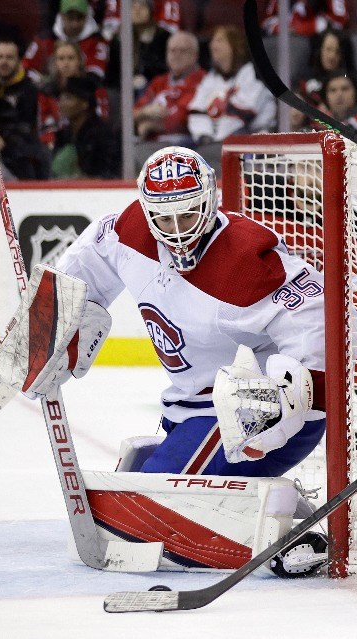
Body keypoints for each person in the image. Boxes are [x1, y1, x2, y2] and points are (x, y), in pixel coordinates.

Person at [52, 146, 327, 479]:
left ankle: (263, 502)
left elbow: (320, 321)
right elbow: (88, 260)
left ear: (209, 201)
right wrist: (50, 319)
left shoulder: (247, 261)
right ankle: (253, 501)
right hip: (190, 408)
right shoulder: (131, 231)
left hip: (253, 419)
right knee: (135, 500)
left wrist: (287, 397)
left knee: (147, 514)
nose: (178, 231)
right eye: (165, 218)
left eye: (188, 214)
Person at [187, 25, 276, 174]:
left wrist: (219, 141)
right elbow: (196, 110)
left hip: (255, 141)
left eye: (220, 40)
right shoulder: (211, 79)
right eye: (212, 41)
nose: (213, 45)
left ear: (235, 45)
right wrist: (204, 136)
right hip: (218, 144)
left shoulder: (253, 73)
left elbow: (243, 112)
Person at [0, 37, 49, 180]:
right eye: (0, 57)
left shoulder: (29, 89)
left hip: (17, 160)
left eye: (9, 57)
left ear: (19, 61)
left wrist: (5, 142)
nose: (4, 62)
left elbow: (27, 131)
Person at [132, 30, 206, 167]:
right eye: (172, 51)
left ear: (195, 55)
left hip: (182, 145)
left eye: (182, 51)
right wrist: (144, 113)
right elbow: (133, 112)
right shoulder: (158, 82)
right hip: (151, 143)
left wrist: (150, 125)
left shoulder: (202, 81)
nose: (176, 56)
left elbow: (183, 118)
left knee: (133, 156)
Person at [38, 40, 111, 149]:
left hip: (90, 143)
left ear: (80, 61)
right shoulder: (47, 92)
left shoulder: (94, 89)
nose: (66, 63)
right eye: (61, 59)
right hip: (56, 145)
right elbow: (46, 126)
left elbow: (102, 120)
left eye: (71, 58)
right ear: (55, 62)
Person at [23, 0, 110, 84]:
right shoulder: (44, 40)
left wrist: (64, 83)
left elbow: (95, 77)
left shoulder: (97, 41)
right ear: (62, 16)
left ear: (87, 16)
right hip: (47, 93)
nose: (74, 24)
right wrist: (42, 81)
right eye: (70, 18)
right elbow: (25, 69)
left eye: (79, 18)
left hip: (84, 94)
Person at [50, 75, 120, 179]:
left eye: (68, 98)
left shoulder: (102, 135)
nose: (61, 103)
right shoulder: (63, 134)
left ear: (84, 104)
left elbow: (108, 175)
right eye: (60, 98)